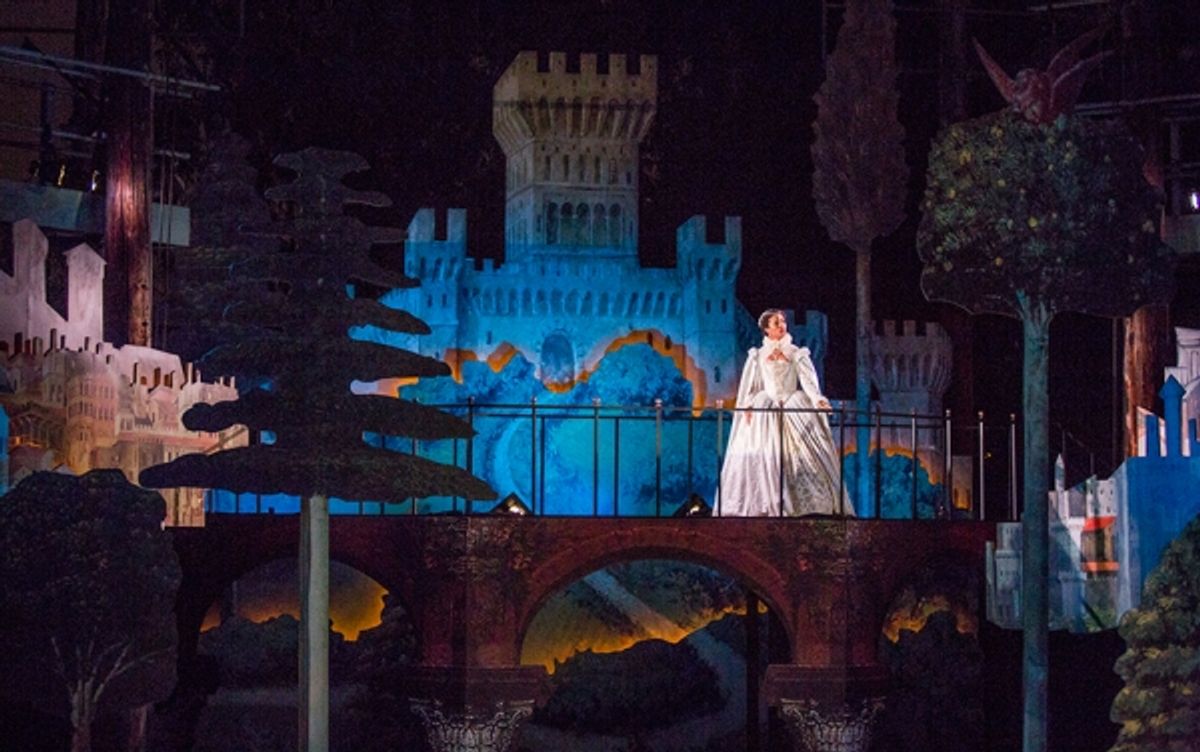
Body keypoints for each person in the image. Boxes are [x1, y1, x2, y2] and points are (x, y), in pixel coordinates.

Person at [719, 309, 853, 516]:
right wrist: (747, 404)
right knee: (763, 454)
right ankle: (765, 501)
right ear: (766, 329)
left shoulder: (796, 353)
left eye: (783, 321)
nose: (782, 325)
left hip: (792, 402)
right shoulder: (757, 355)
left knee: (803, 453)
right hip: (766, 406)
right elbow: (750, 385)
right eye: (776, 323)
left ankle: (807, 504)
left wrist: (817, 399)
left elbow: (808, 381)